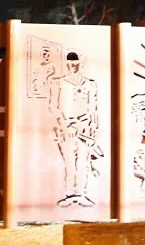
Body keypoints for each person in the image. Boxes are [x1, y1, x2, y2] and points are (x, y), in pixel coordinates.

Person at [48, 51, 101, 207]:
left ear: (81, 64)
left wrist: (92, 129)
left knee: (83, 162)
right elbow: (53, 106)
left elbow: (93, 108)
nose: (73, 67)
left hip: (84, 128)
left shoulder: (90, 84)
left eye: (76, 63)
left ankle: (81, 194)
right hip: (67, 128)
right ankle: (70, 194)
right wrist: (65, 124)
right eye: (70, 64)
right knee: (70, 162)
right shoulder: (58, 82)